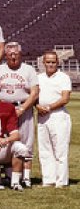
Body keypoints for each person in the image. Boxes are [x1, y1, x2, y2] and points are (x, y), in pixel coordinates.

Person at [0, 42, 38, 187]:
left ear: (21, 54)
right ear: (5, 55)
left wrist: (23, 108)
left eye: (16, 54)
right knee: (5, 142)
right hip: (3, 110)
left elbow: (34, 92)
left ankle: (26, 177)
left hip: (23, 108)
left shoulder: (29, 70)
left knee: (26, 143)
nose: (13, 56)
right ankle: (7, 176)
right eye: (10, 54)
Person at [35, 51, 72, 187]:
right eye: (48, 62)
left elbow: (65, 98)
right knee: (45, 149)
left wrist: (49, 107)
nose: (50, 64)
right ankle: (48, 179)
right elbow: (34, 96)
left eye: (53, 62)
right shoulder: (38, 78)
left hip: (58, 116)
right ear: (43, 63)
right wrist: (37, 106)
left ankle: (61, 181)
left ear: (57, 63)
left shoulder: (63, 77)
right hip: (42, 116)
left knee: (60, 149)